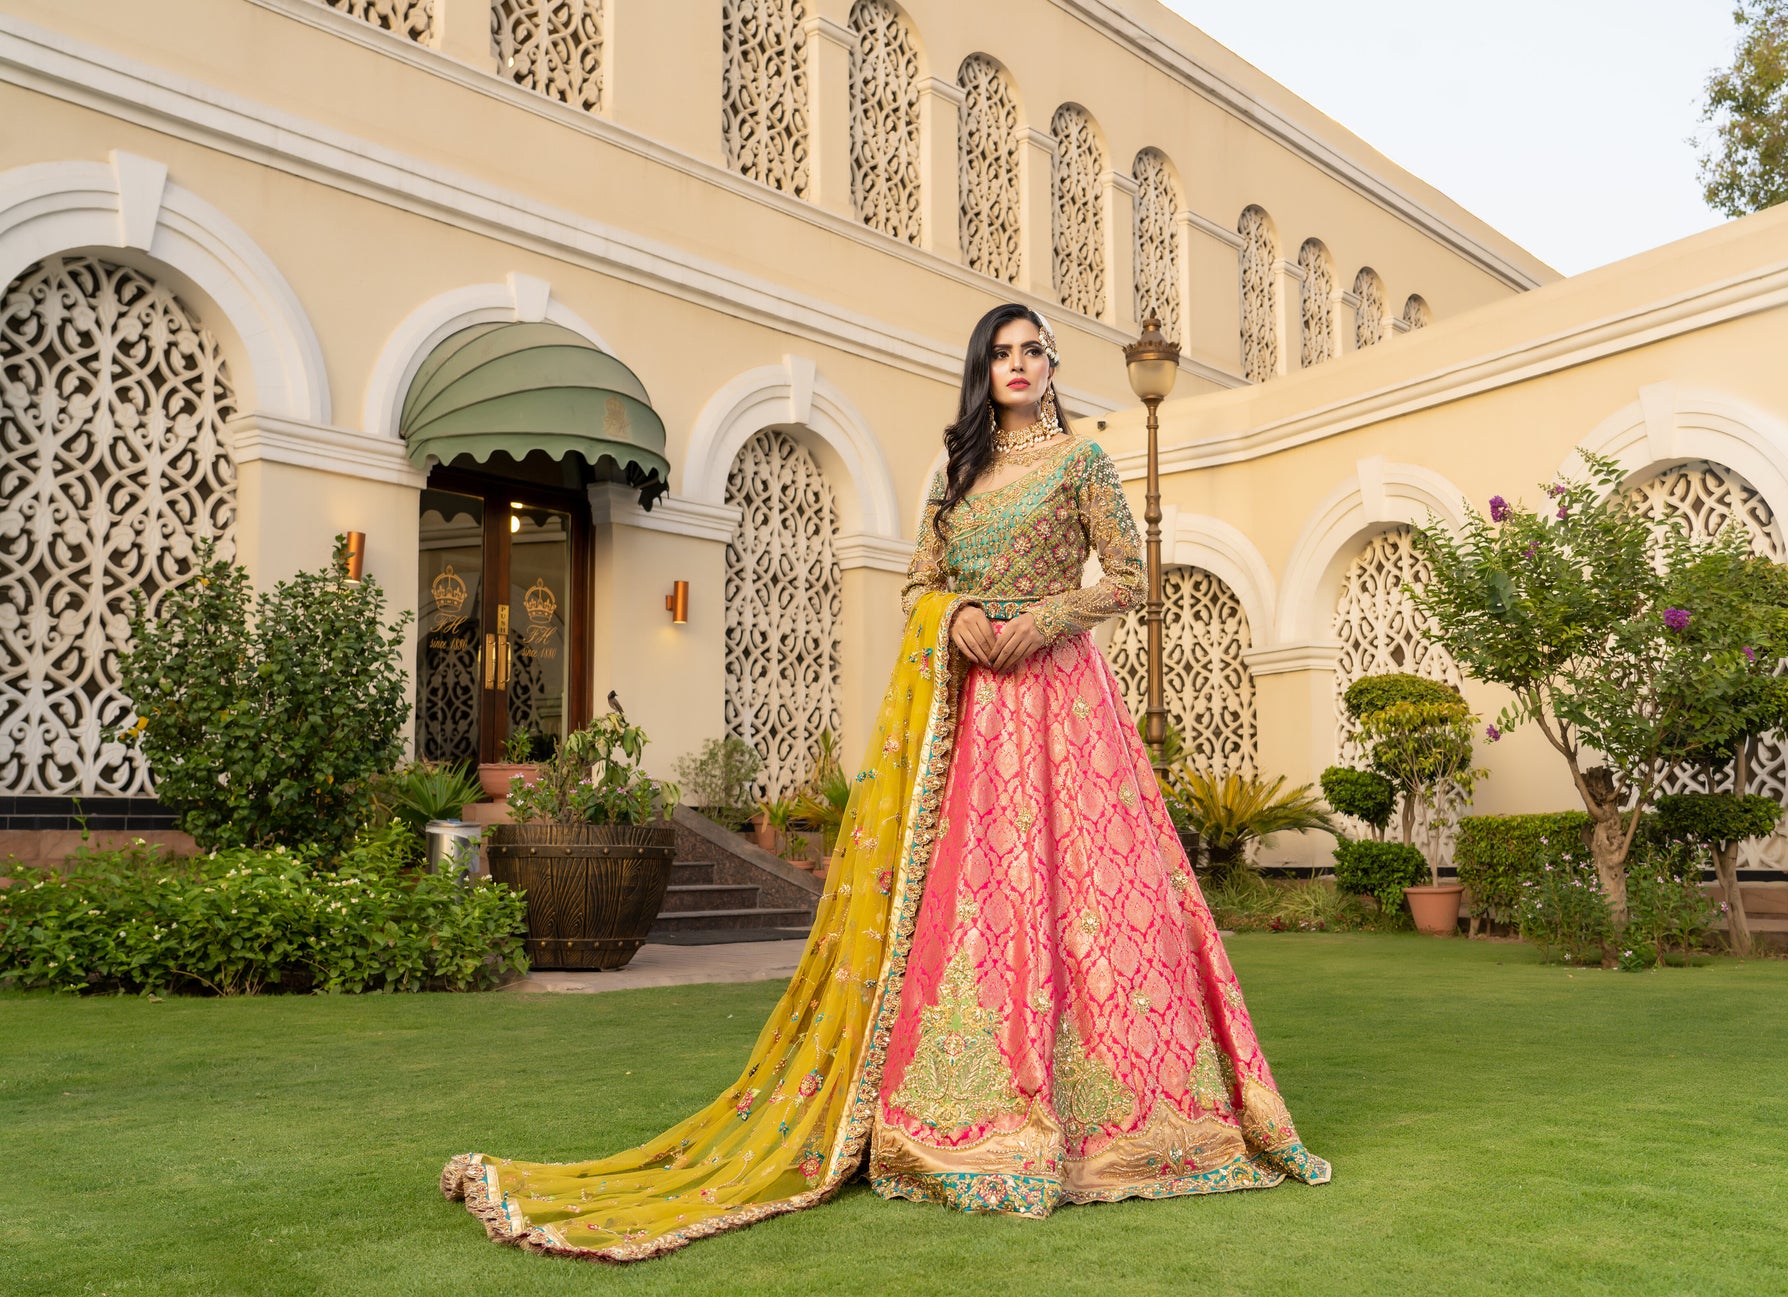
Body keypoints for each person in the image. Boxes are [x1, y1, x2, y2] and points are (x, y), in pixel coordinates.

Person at [442, 304, 1328, 1262]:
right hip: (973, 715)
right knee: (974, 903)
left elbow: (1128, 579)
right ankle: (951, 1109)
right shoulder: (958, 476)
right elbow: (919, 584)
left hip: (1065, 704)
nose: (1019, 365)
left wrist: (1042, 619)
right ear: (981, 370)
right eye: (1001, 353)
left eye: (1033, 351)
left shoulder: (1084, 462)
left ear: (1052, 364)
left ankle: (1122, 1119)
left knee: (1092, 902)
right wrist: (954, 621)